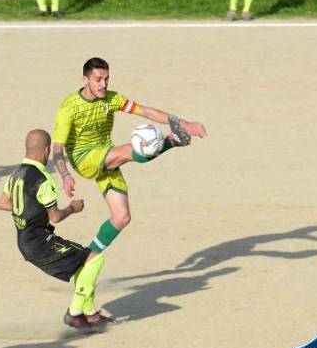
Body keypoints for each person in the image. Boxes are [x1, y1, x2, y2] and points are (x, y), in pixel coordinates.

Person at [51, 58, 207, 322]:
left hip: (108, 157)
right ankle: (170, 142)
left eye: (106, 79)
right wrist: (65, 175)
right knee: (131, 149)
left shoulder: (112, 99)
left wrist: (182, 121)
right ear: (85, 79)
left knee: (122, 217)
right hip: (85, 159)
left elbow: (144, 111)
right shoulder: (69, 107)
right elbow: (57, 146)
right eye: (98, 79)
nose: (103, 84)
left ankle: (84, 266)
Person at [0, 129, 110, 332]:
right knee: (95, 258)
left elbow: (3, 203)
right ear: (47, 150)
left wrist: (28, 208)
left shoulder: (14, 174)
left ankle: (90, 313)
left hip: (24, 240)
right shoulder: (43, 179)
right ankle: (75, 314)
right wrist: (73, 208)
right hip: (40, 243)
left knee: (83, 262)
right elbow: (55, 217)